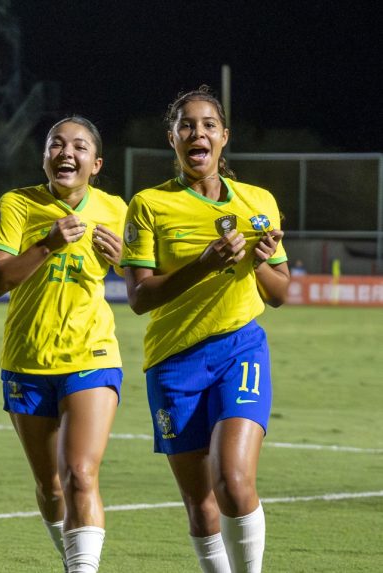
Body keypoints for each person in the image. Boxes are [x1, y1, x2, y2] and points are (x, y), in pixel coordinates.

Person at [120, 86, 289, 573]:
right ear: (172, 138)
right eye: (187, 125)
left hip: (241, 349)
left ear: (224, 137)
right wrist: (204, 264)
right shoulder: (148, 205)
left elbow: (279, 292)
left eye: (209, 124)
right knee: (202, 506)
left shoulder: (259, 202)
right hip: (174, 362)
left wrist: (257, 264)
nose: (199, 132)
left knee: (234, 482)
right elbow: (138, 298)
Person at [0, 116, 127, 572]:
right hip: (27, 359)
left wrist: (125, 259)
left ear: (96, 163)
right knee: (51, 487)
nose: (67, 153)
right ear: (44, 156)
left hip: (92, 354)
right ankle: (71, 560)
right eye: (56, 145)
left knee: (80, 474)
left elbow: (144, 276)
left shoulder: (117, 209)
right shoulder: (18, 204)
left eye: (79, 147)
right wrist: (47, 243)